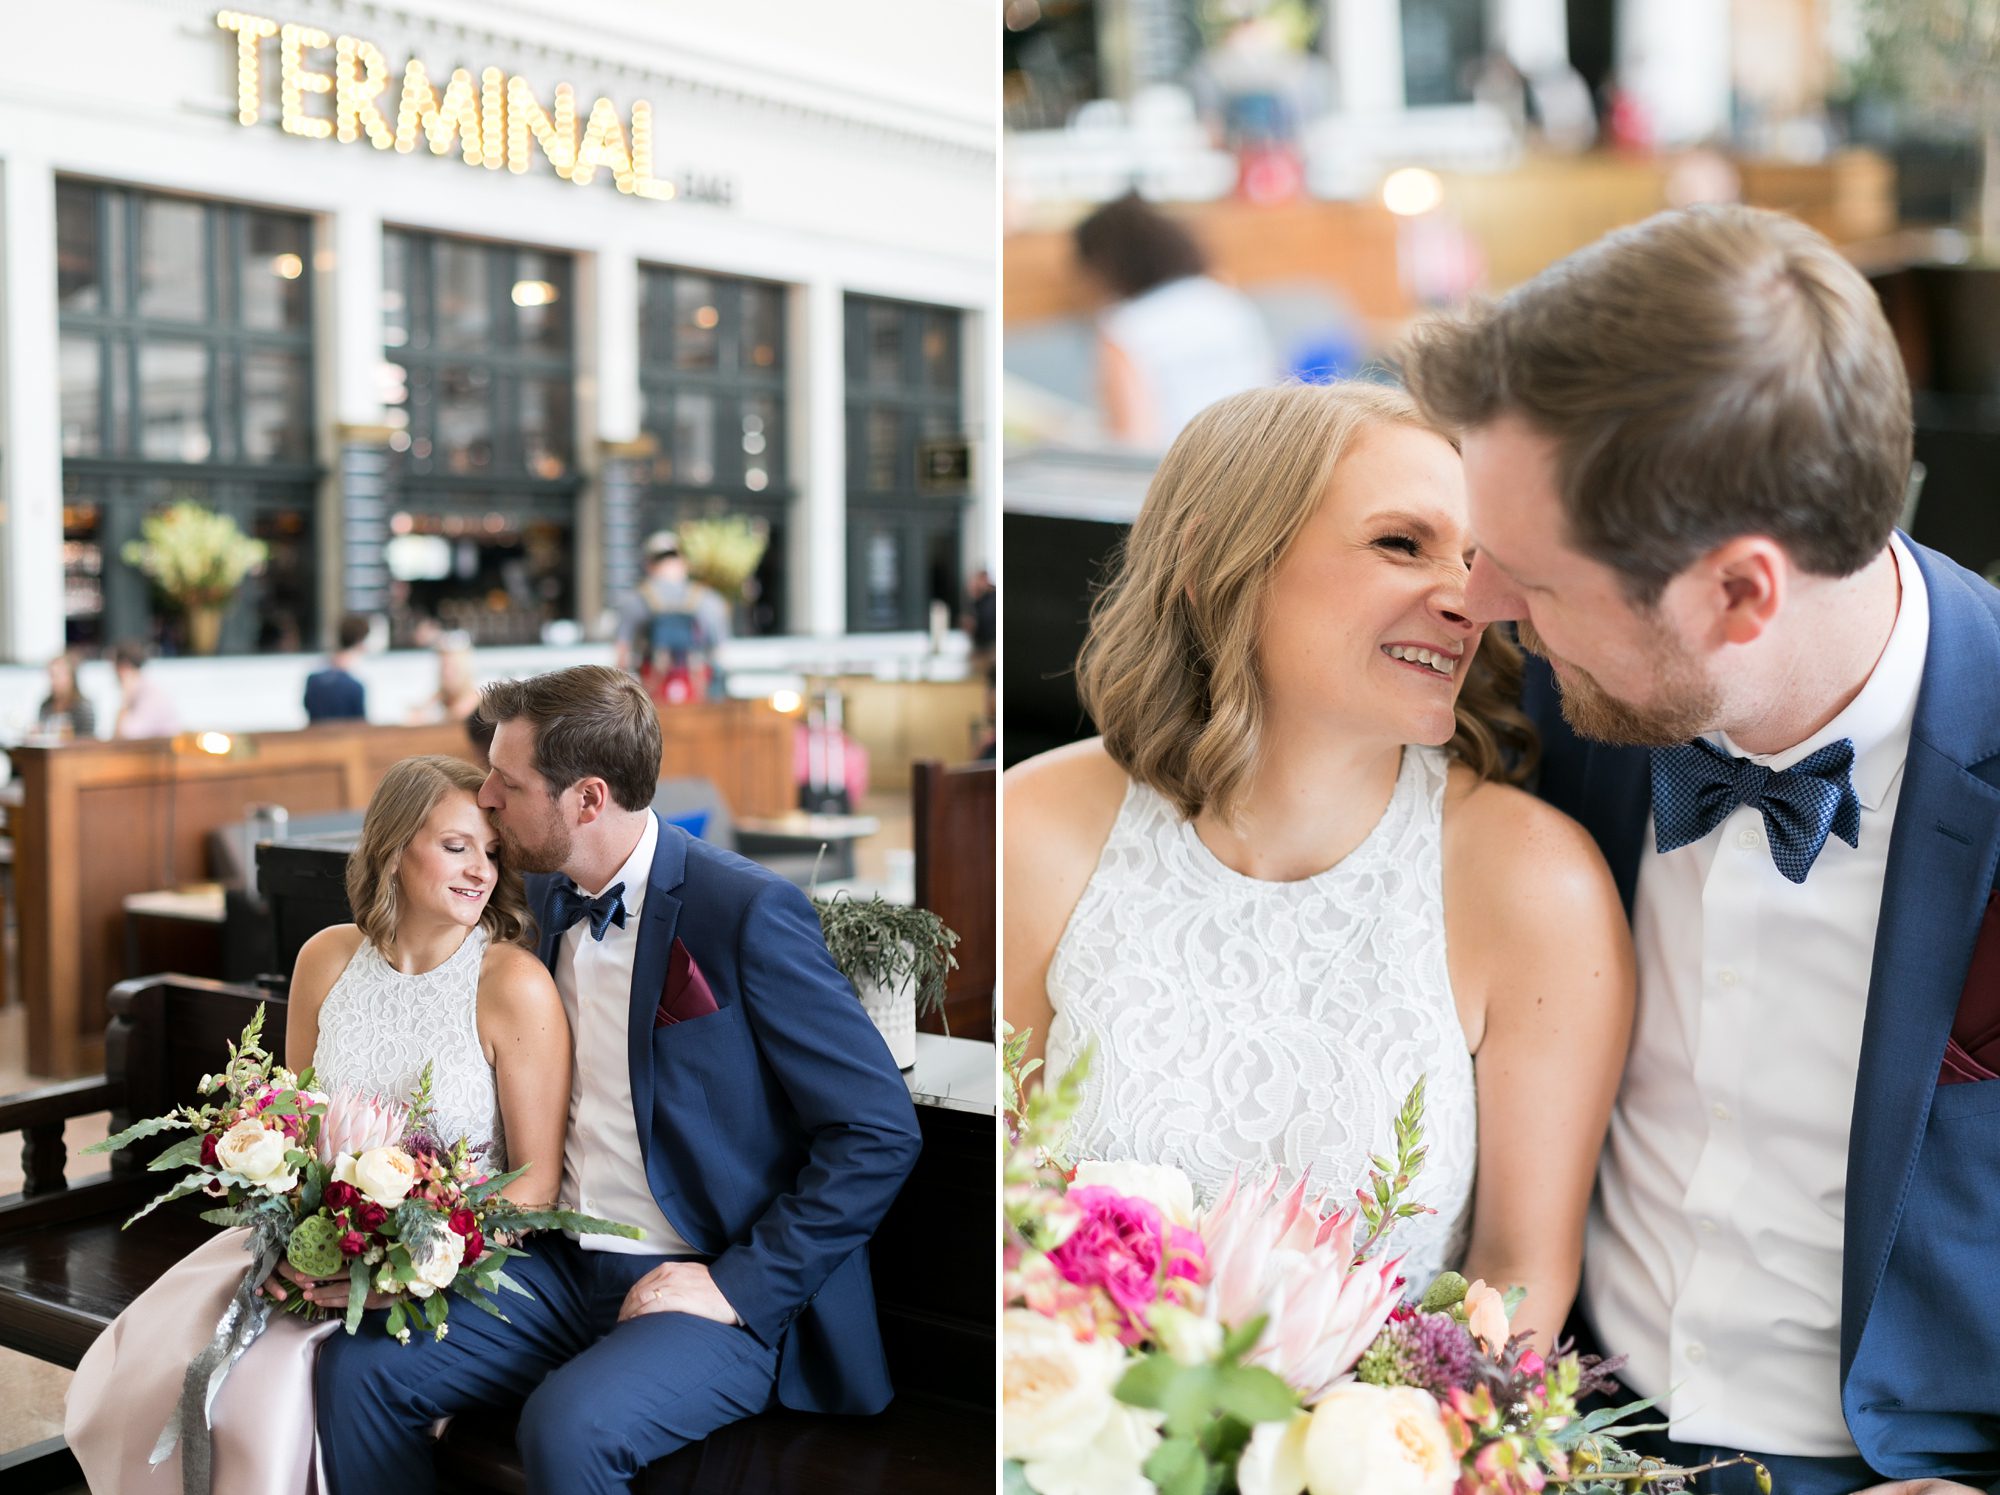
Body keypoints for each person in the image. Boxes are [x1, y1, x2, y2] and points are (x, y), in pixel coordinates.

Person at [1398, 203, 2000, 1495]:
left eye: (1535, 578)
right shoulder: (1560, 691)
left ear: (1739, 590)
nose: (1481, 605)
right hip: (1557, 1437)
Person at [1004, 381, 1633, 1341]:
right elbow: (1003, 1221)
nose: (1467, 600)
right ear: (1211, 557)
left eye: (1475, 558)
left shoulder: (1533, 881)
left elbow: (1520, 1277)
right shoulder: (1034, 829)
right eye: (1400, 543)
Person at [316, 665, 923, 1495]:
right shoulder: (541, 898)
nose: (486, 796)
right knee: (359, 1368)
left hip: (705, 1286)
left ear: (588, 799)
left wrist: (734, 1283)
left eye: (509, 782)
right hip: (555, 1268)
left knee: (568, 1428)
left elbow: (879, 1129)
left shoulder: (745, 911)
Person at [63, 755, 567, 1493]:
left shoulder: (513, 983)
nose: (480, 872)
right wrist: (294, 1237)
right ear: (394, 849)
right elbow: (298, 1135)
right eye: (457, 846)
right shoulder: (326, 959)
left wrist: (408, 1261)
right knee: (167, 1362)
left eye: (492, 853)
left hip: (446, 1259)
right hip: (315, 1247)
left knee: (268, 1386)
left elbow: (537, 1185)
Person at [1073, 192, 1276, 448]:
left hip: (1176, 476)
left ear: (1104, 265)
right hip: (1258, 459)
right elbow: (1270, 390)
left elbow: (1132, 442)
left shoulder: (1124, 327)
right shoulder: (1227, 300)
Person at [614, 531, 732, 704]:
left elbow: (621, 655)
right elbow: (721, 653)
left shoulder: (635, 600)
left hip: (651, 695)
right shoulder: (709, 600)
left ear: (649, 564)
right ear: (685, 563)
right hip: (698, 694)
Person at [304, 614, 372, 723]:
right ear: (360, 642)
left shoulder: (313, 679)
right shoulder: (354, 685)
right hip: (348, 738)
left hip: (316, 737)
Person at [111, 640, 180, 739]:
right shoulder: (144, 691)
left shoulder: (150, 695)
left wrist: (125, 701)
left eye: (114, 668)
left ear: (124, 668)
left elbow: (125, 737)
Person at [37, 649, 95, 739]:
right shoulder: (46, 705)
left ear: (70, 677)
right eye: (51, 675)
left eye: (57, 676)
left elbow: (87, 741)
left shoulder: (83, 707)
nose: (54, 681)